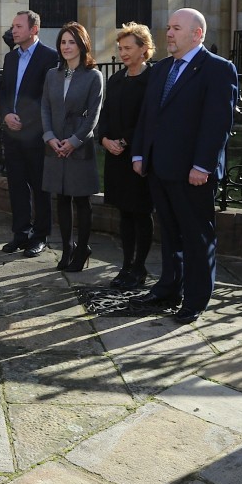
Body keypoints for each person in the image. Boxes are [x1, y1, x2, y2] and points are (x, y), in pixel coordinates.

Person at [132, 8, 238, 323]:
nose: (169, 33)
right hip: (159, 168)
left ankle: (195, 300)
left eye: (176, 28)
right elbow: (148, 115)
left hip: (193, 173)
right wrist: (139, 154)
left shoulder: (217, 69)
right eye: (169, 27)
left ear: (197, 34)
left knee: (196, 237)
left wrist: (203, 166)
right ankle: (169, 288)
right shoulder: (161, 68)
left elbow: (218, 123)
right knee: (169, 235)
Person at [40, 22, 104, 272]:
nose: (66, 47)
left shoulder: (93, 76)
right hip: (54, 145)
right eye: (63, 42)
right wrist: (49, 136)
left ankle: (82, 248)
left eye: (71, 42)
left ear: (82, 45)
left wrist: (74, 141)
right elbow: (45, 107)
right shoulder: (52, 74)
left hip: (79, 146)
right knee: (62, 198)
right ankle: (67, 248)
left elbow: (94, 116)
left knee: (81, 200)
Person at [0, 10, 59, 257]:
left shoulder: (50, 57)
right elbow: (3, 92)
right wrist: (6, 115)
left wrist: (26, 120)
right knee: (16, 185)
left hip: (36, 133)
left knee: (39, 186)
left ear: (34, 29)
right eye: (13, 26)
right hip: (12, 134)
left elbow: (48, 98)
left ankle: (40, 235)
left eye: (19, 26)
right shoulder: (11, 57)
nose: (13, 31)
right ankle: (20, 233)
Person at [99, 22, 155, 289]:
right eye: (120, 48)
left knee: (140, 213)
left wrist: (124, 141)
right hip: (116, 157)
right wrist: (105, 139)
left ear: (144, 49)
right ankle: (125, 265)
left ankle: (139, 267)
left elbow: (149, 118)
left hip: (138, 156)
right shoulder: (116, 79)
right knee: (124, 213)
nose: (123, 53)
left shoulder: (152, 79)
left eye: (128, 48)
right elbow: (106, 114)